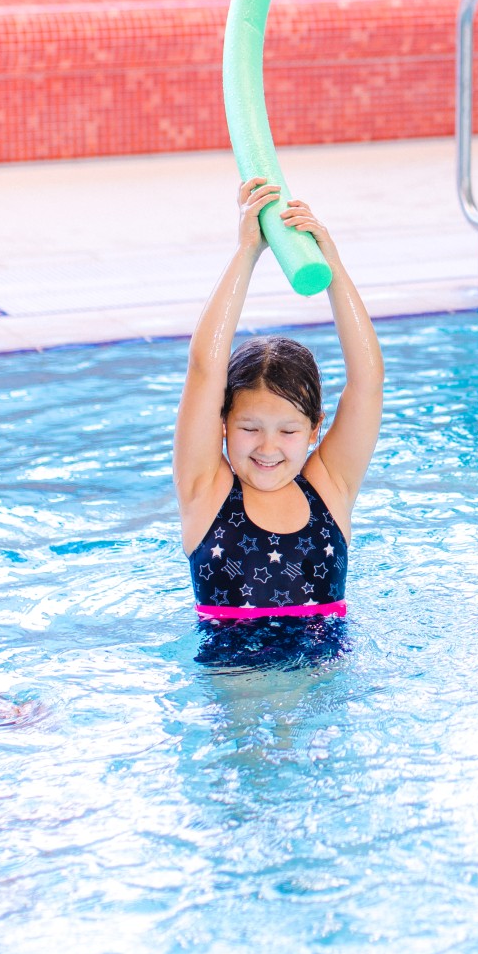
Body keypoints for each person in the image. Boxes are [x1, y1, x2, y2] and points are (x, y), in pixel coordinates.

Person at [173, 178, 382, 668]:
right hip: (236, 686)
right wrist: (247, 250)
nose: (268, 447)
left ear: (315, 430)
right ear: (221, 423)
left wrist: (332, 267)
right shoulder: (205, 491)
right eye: (249, 428)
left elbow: (368, 380)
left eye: (288, 431)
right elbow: (205, 366)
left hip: (324, 693)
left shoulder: (331, 487)